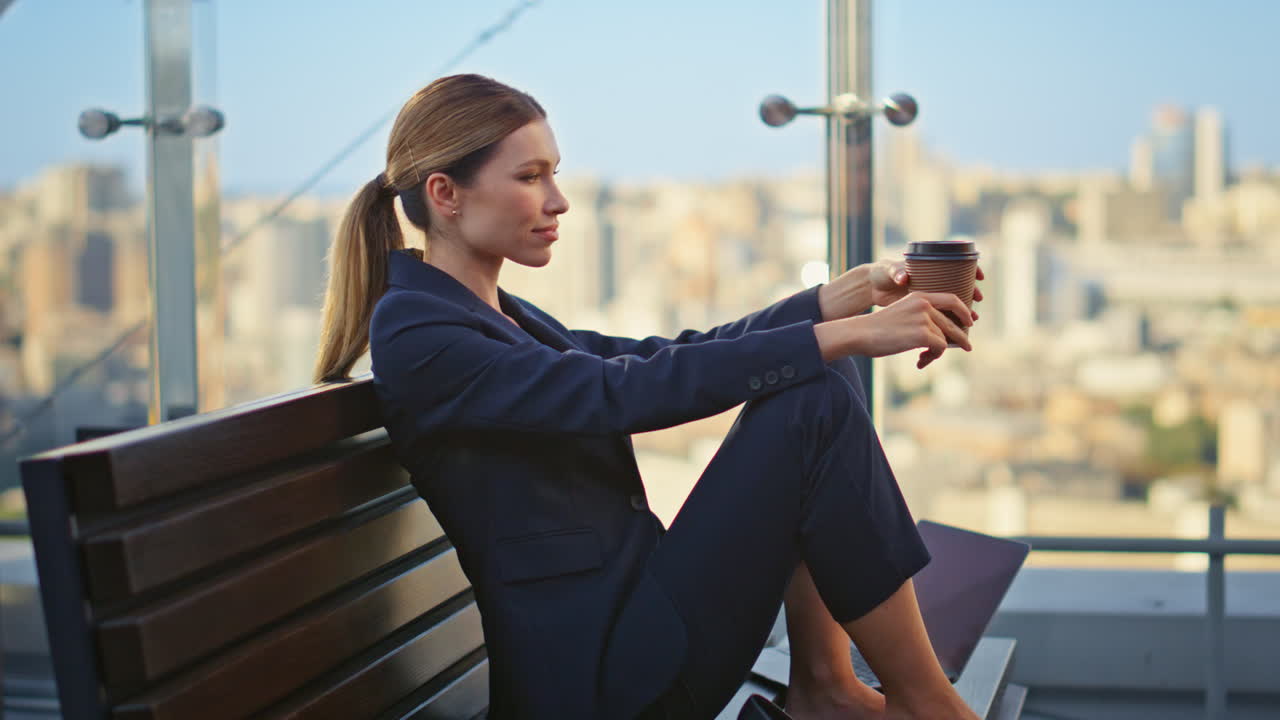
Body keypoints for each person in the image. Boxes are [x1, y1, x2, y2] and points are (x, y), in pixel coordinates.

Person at [314, 74, 985, 720]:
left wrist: (843, 299)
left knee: (819, 379)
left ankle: (828, 689)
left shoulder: (498, 318)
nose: (559, 200)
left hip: (634, 635)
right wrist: (850, 335)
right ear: (445, 193)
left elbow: (664, 355)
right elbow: (624, 390)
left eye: (554, 173)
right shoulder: (421, 334)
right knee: (815, 396)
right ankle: (923, 705)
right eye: (530, 177)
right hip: (607, 684)